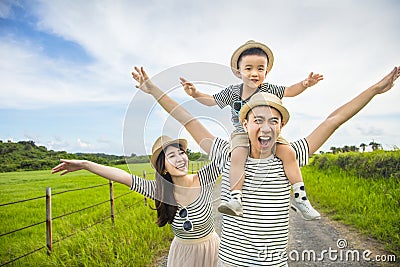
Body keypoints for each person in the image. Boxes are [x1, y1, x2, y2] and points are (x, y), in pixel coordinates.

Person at [132, 65, 399, 266]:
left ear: (281, 127)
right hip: (231, 262)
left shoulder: (290, 155)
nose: (266, 126)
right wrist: (154, 89)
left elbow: (334, 119)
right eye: (257, 119)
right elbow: (187, 118)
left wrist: (375, 90)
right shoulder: (228, 153)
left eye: (273, 120)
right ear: (244, 124)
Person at [180, 40, 323, 219]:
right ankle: (236, 198)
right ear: (239, 72)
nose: (254, 73)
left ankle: (301, 198)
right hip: (242, 133)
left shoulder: (269, 89)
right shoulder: (233, 92)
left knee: (288, 153)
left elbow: (289, 91)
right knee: (237, 155)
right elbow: (212, 101)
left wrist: (305, 84)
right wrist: (195, 94)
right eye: (248, 68)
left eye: (260, 68)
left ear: (266, 71)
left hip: (269, 133)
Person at [52, 135, 221, 267]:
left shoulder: (204, 178)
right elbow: (124, 177)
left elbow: (228, 155)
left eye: (182, 153)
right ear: (163, 168)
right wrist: (85, 164)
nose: (180, 159)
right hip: (183, 255)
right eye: (172, 156)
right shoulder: (159, 191)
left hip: (212, 250)